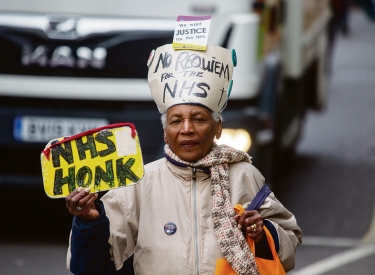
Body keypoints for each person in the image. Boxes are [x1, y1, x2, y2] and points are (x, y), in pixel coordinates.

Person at [65, 44, 302, 275]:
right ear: (165, 133)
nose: (187, 129)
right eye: (176, 121)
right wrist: (89, 225)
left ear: (218, 128)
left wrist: (263, 234)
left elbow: (289, 244)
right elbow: (88, 268)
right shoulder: (139, 184)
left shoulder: (244, 176)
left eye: (198, 119)